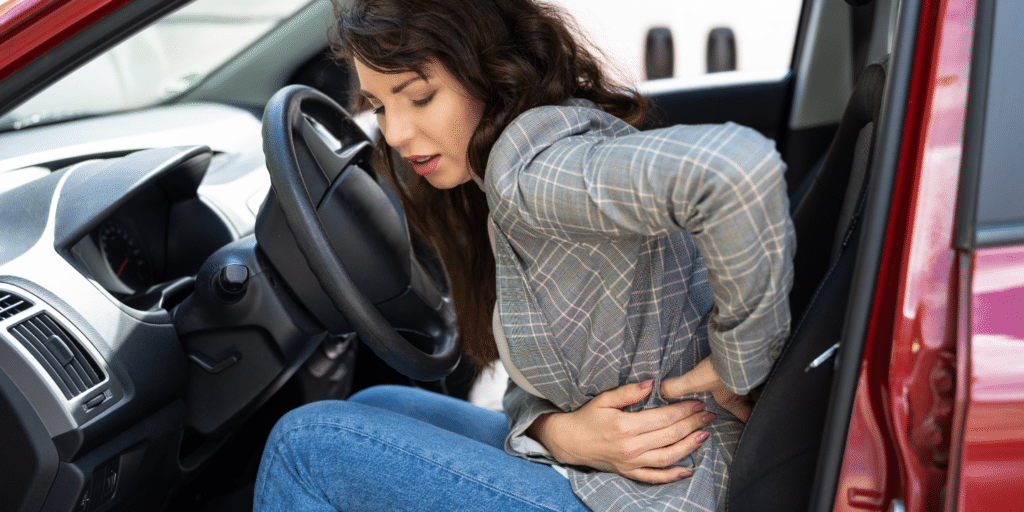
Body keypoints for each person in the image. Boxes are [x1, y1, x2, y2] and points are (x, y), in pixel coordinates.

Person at [254, 0, 795, 510]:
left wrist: (739, 365)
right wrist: (557, 433)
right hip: (607, 472)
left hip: (656, 495)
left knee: (303, 447)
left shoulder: (536, 173)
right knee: (378, 406)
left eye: (418, 97)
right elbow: (544, 371)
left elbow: (738, 172)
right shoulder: (514, 164)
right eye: (378, 105)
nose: (393, 133)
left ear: (488, 71)